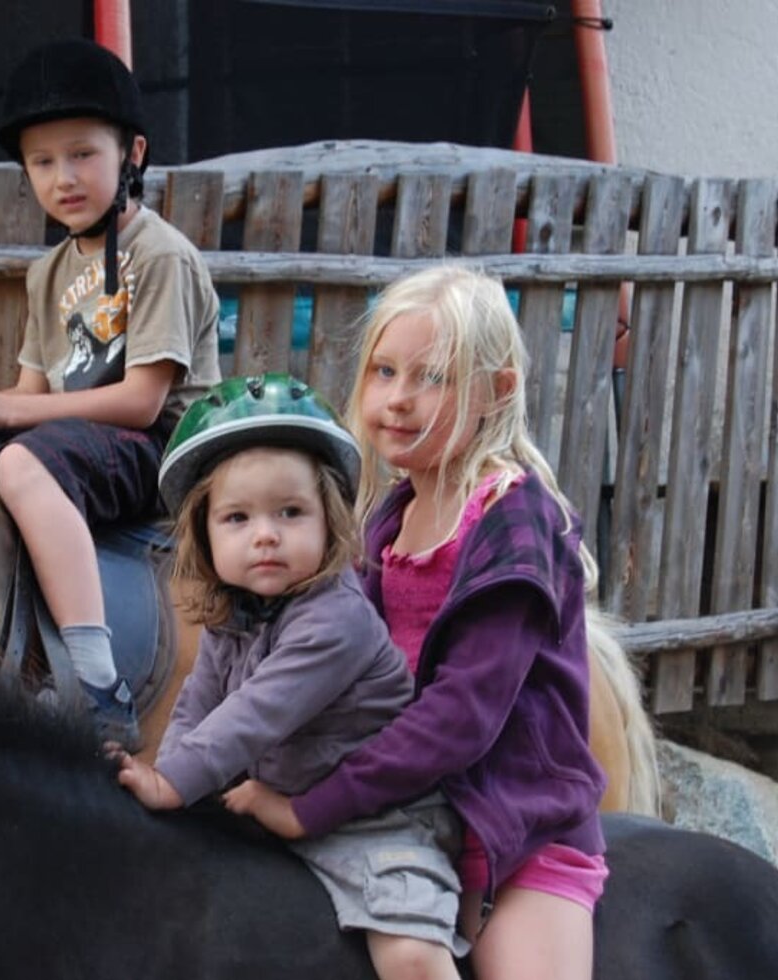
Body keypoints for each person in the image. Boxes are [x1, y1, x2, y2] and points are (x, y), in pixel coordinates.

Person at [224, 268, 609, 980]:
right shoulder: (387, 520)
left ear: (499, 391)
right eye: (383, 371)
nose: (397, 399)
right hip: (411, 811)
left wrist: (311, 808)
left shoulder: (515, 523)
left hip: (517, 828)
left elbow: (460, 717)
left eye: (432, 377)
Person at [0, 38, 221, 749]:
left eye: (82, 153)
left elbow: (142, 400)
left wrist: (6, 411)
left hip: (162, 451)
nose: (63, 178)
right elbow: (30, 393)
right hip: (81, 449)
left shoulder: (159, 255)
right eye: (42, 162)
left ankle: (97, 684)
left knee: (25, 462)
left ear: (132, 153)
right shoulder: (47, 272)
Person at [116, 373, 468, 980]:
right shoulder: (234, 614)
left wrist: (172, 782)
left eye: (290, 512)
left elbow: (254, 714)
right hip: (277, 807)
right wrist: (172, 799)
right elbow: (198, 704)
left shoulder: (336, 620)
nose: (266, 535)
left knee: (410, 955)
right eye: (237, 518)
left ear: (330, 521)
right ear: (202, 533)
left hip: (376, 823)